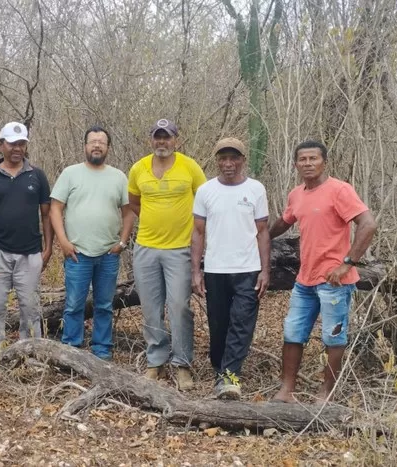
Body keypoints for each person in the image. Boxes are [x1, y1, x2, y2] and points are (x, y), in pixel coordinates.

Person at [269, 140, 377, 402]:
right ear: (296, 164)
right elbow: (285, 221)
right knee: (293, 332)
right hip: (305, 279)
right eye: (302, 160)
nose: (308, 164)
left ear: (324, 162)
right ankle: (287, 390)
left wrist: (347, 263)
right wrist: (260, 237)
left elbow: (368, 224)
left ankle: (326, 392)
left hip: (334, 281)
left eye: (313, 159)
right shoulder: (297, 194)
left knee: (333, 335)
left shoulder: (339, 190)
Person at [128, 118, 207, 390]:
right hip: (146, 248)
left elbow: (204, 200)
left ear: (177, 140)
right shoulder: (139, 168)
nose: (162, 142)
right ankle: (156, 363)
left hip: (180, 250)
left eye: (167, 137)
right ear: (151, 140)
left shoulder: (190, 166)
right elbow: (135, 202)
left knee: (179, 307)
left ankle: (182, 364)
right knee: (150, 308)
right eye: (157, 137)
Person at [191, 138, 270, 400]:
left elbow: (262, 232)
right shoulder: (205, 191)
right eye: (223, 158)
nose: (228, 164)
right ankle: (220, 368)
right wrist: (196, 271)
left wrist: (265, 270)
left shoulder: (256, 189)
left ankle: (229, 378)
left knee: (242, 323)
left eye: (233, 158)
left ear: (242, 160)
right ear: (216, 160)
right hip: (215, 269)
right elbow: (198, 232)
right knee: (219, 324)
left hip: (247, 268)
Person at [49, 126, 135, 360]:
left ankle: (102, 351)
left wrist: (122, 242)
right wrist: (63, 242)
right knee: (74, 304)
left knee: (104, 305)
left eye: (102, 142)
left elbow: (128, 212)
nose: (97, 145)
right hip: (77, 253)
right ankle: (71, 351)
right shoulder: (70, 173)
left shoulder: (118, 176)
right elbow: (55, 208)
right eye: (92, 141)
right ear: (85, 146)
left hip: (108, 254)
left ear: (108, 148)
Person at [0, 122, 53, 356]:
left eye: (21, 143)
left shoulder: (37, 175)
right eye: (12, 143)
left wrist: (48, 248)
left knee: (30, 309)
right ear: (1, 145)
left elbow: (47, 214)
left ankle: (31, 356)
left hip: (30, 254)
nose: (17, 148)